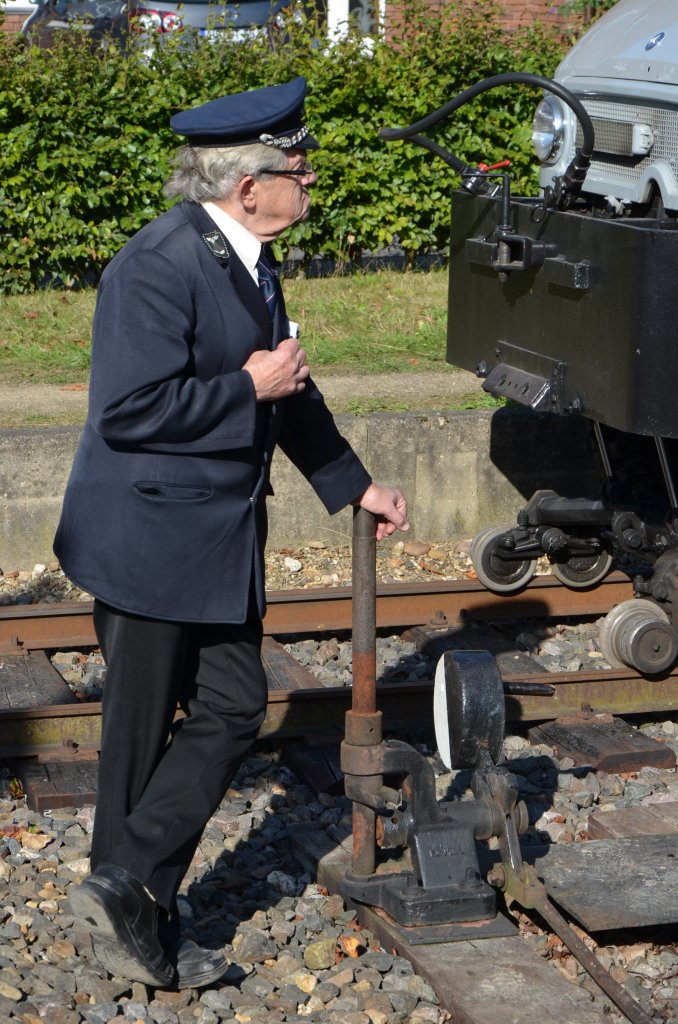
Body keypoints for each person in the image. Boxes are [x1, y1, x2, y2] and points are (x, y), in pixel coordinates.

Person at [54, 76, 409, 991]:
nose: (312, 179)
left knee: (231, 703)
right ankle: (135, 922)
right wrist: (245, 388)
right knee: (141, 737)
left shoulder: (246, 259)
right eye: (300, 167)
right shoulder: (159, 263)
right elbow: (129, 411)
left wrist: (354, 482)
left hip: (207, 543)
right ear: (249, 184)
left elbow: (290, 390)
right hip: (147, 538)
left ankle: (124, 892)